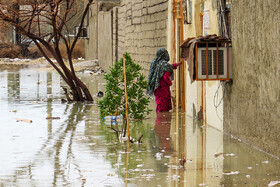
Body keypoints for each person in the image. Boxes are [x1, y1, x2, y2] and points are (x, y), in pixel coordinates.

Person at [146, 48, 181, 112]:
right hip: (163, 89)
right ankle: (162, 120)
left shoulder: (155, 62)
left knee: (159, 105)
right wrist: (170, 83)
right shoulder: (164, 64)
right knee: (163, 107)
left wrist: (178, 64)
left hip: (156, 88)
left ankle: (159, 120)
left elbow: (169, 66)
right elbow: (165, 76)